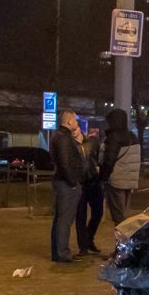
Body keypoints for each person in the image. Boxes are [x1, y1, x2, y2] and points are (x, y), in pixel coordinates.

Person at [50, 111, 86, 263]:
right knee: (65, 220)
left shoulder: (59, 136)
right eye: (76, 121)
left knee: (60, 219)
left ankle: (58, 252)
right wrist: (73, 182)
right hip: (67, 183)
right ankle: (63, 253)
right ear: (70, 122)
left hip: (63, 182)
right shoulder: (64, 138)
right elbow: (65, 163)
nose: (77, 124)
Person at [100, 108, 141, 226]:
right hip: (130, 181)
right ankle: (125, 241)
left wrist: (103, 177)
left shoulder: (114, 137)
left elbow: (109, 161)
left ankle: (122, 242)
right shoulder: (133, 136)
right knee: (125, 215)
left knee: (118, 217)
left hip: (116, 180)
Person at [75, 126, 104, 256]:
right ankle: (83, 246)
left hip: (93, 181)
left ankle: (88, 239)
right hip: (79, 183)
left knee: (98, 213)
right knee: (80, 216)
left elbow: (98, 159)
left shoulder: (92, 143)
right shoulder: (71, 146)